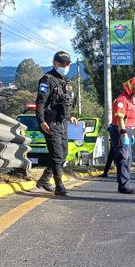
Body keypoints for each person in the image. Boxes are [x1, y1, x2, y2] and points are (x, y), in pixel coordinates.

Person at [35, 51, 78, 196]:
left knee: (64, 154)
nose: (65, 66)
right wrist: (41, 121)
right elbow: (40, 103)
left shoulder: (65, 81)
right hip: (50, 122)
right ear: (55, 63)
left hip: (62, 123)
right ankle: (59, 185)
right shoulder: (47, 79)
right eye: (62, 63)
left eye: (67, 64)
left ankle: (44, 180)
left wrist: (70, 116)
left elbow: (64, 103)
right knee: (57, 155)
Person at [109, 77, 135, 194]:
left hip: (128, 131)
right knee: (123, 158)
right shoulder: (122, 101)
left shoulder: (130, 102)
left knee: (129, 159)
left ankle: (125, 184)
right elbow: (120, 118)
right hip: (121, 131)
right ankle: (124, 186)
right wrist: (124, 133)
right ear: (131, 92)